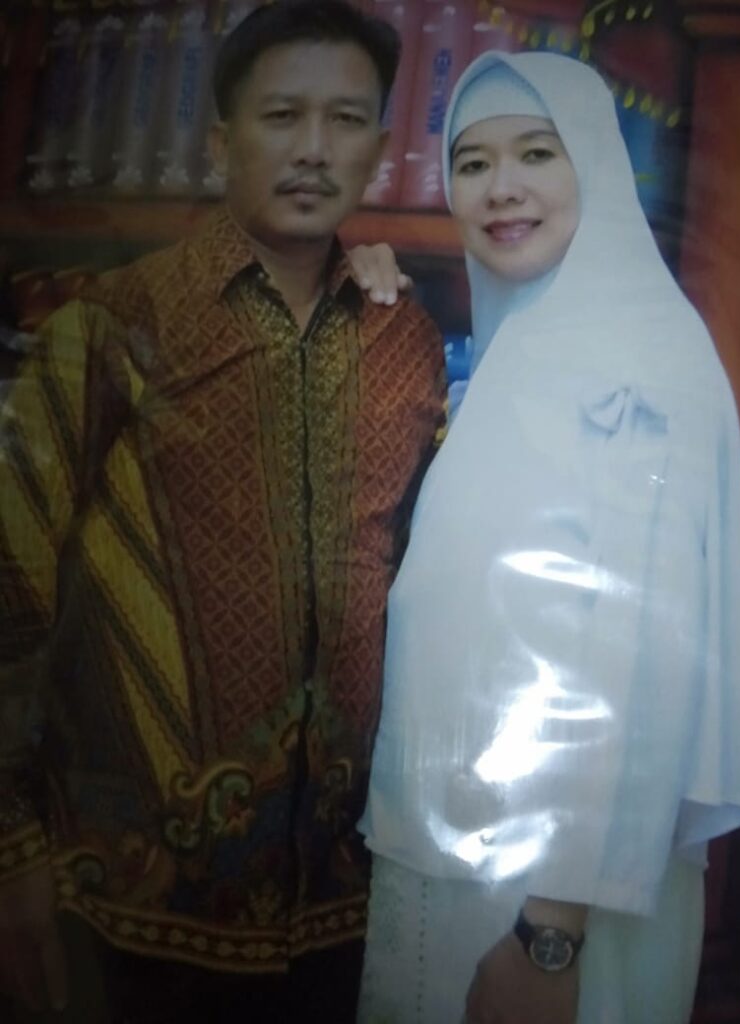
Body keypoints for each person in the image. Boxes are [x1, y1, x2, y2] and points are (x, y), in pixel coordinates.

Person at [0, 3, 445, 1022]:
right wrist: (10, 852)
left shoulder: (408, 345)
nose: (313, 147)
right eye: (282, 115)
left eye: (345, 120)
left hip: (349, 910)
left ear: (381, 148)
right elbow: (9, 595)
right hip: (122, 910)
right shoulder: (111, 328)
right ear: (217, 143)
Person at [351, 51, 740, 1023]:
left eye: (537, 153)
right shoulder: (533, 350)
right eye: (472, 162)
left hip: (552, 903)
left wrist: (549, 939)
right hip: (474, 866)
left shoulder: (633, 364)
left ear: (597, 164)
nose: (501, 187)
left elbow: (632, 660)